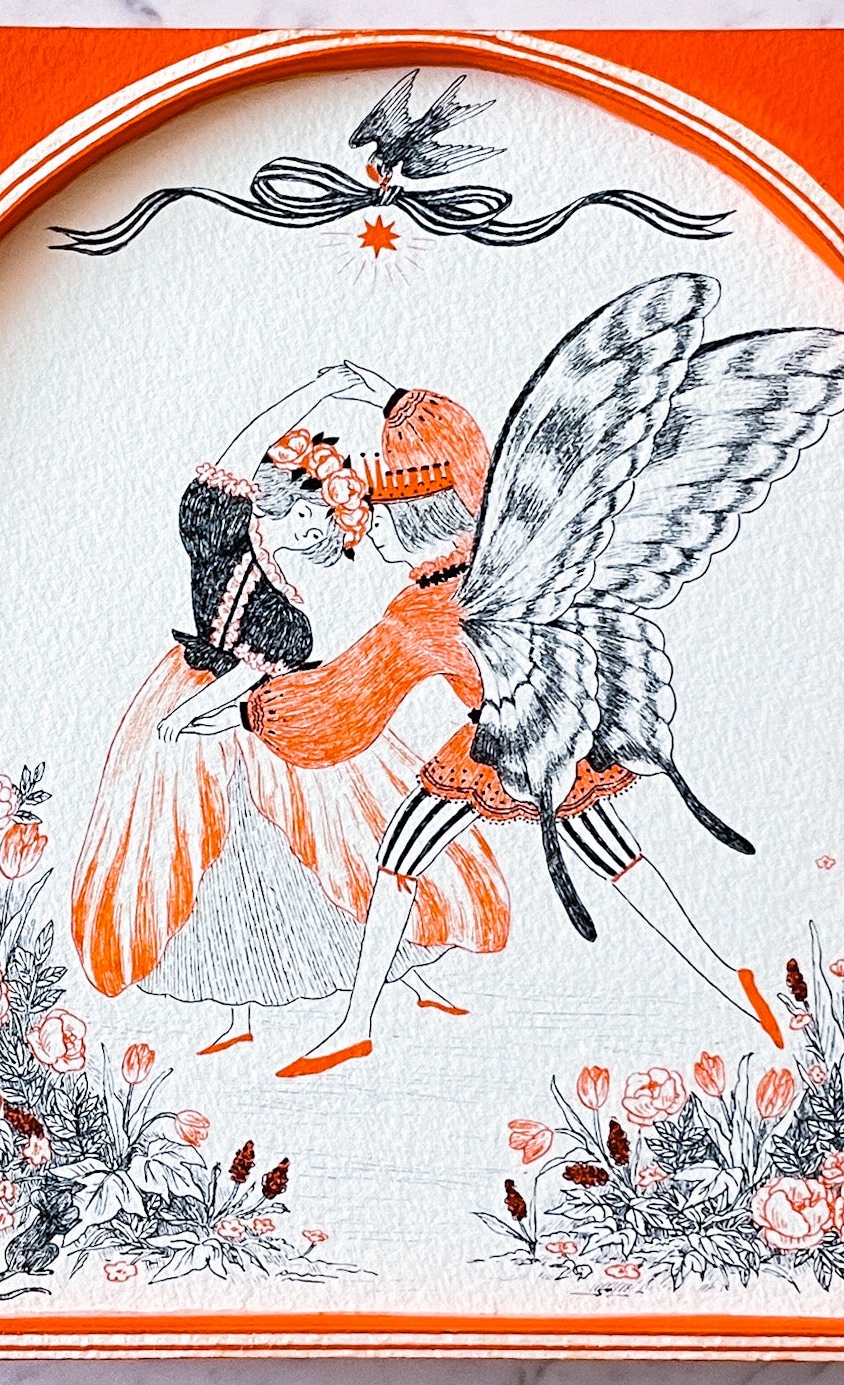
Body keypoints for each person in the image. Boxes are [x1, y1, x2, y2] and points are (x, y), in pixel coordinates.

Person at [212, 366, 785, 1077]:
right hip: (561, 725)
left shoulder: (419, 611)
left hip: (507, 743)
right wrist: (385, 397)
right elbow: (447, 439)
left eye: (378, 518)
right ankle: (728, 977)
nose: (368, 534)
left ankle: (355, 1024)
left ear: (412, 522)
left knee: (400, 857)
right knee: (618, 859)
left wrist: (252, 710)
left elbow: (345, 702)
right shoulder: (491, 563)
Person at [70, 369, 509, 1054]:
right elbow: (231, 466)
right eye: (312, 515)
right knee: (219, 858)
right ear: (286, 500)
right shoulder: (219, 536)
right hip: (199, 698)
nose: (315, 533)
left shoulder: (290, 617)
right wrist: (317, 392)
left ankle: (401, 974)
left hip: (265, 714)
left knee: (337, 845)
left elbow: (256, 674)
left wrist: (200, 716)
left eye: (328, 529)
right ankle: (240, 1014)